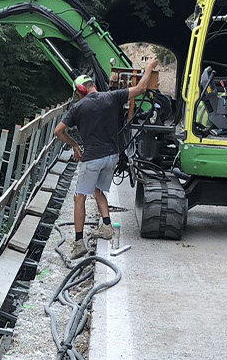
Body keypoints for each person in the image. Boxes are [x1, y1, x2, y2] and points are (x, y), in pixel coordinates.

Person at [54, 57, 158, 259]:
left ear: (80, 92)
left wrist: (75, 145)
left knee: (79, 197)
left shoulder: (77, 108)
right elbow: (142, 88)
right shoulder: (112, 97)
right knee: (98, 190)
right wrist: (149, 67)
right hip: (111, 156)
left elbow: (58, 131)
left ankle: (78, 243)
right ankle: (107, 227)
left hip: (92, 158)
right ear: (92, 86)